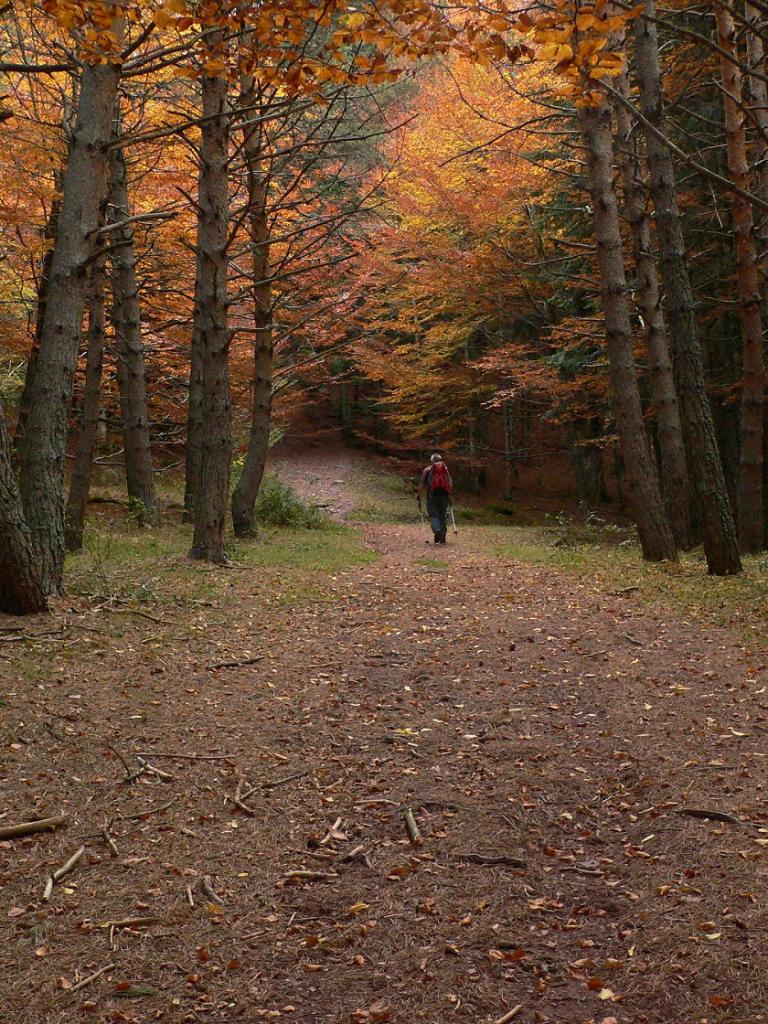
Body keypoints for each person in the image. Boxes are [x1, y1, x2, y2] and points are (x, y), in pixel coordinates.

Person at [418, 453, 453, 544]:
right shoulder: (445, 470)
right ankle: (442, 537)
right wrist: (448, 493)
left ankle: (437, 531)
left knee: (434, 515)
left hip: (432, 496)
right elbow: (450, 483)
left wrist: (418, 495)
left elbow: (421, 484)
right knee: (442, 516)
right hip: (444, 497)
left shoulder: (427, 470)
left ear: (431, 461)